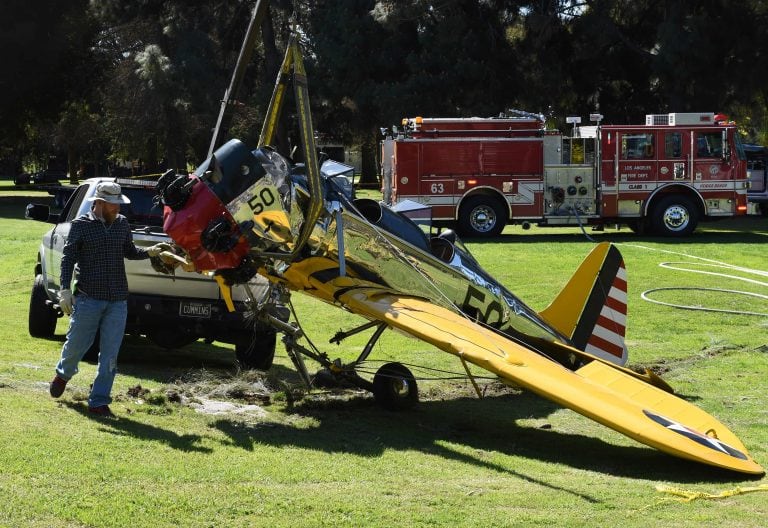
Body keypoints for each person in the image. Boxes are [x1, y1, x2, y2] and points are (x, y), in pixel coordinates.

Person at [48, 182, 171, 417]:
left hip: (117, 300)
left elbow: (129, 251)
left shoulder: (122, 224)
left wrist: (151, 252)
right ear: (100, 203)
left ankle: (99, 401)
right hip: (88, 299)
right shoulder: (81, 226)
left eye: (118, 204)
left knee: (110, 354)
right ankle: (63, 373)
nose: (118, 208)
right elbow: (68, 258)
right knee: (76, 346)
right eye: (114, 205)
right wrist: (64, 289)